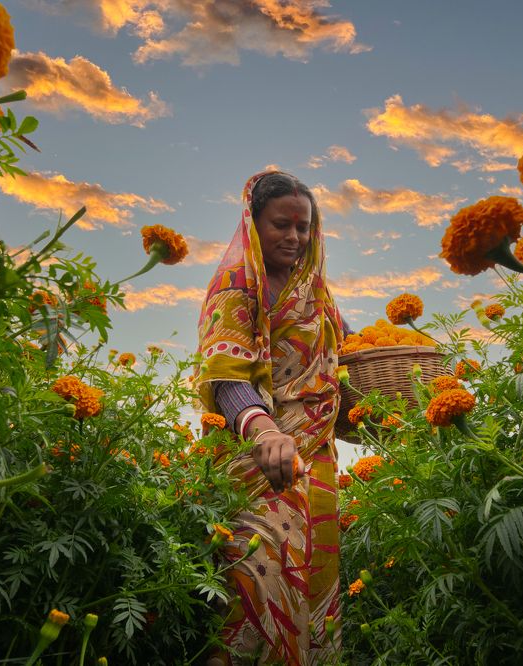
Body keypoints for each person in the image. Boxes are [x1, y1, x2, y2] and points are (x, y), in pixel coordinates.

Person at [196, 170, 346, 665]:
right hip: (259, 461)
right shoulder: (236, 287)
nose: (295, 237)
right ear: (253, 223)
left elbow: (352, 357)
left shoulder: (317, 295)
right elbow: (227, 374)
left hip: (316, 466)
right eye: (281, 224)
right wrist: (265, 431)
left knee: (313, 590)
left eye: (304, 227)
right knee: (252, 581)